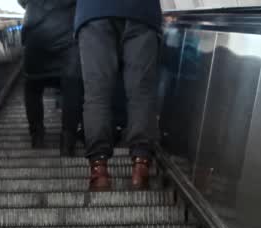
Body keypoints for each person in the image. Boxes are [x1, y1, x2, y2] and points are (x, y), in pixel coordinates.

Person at [74, 0, 162, 190]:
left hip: (94, 10)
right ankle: (140, 167)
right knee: (141, 92)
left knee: (97, 94)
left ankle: (99, 171)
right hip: (142, 11)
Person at [18, 0, 83, 155]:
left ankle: (37, 136)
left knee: (32, 86)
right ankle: (67, 142)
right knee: (72, 87)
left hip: (36, 30)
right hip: (67, 29)